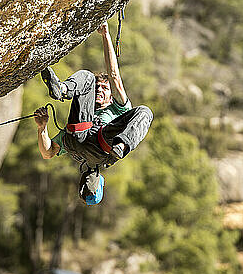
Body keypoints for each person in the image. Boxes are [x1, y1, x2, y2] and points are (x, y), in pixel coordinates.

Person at [34, 21, 153, 205]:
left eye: (105, 89)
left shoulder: (118, 108)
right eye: (98, 88)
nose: (99, 90)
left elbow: (114, 75)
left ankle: (122, 146)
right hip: (79, 134)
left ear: (112, 96)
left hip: (103, 145)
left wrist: (105, 35)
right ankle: (63, 89)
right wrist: (43, 129)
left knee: (145, 111)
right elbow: (49, 152)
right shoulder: (85, 112)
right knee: (88, 77)